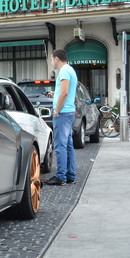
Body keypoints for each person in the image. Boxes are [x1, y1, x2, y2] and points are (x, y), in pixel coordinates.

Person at [45, 49, 78, 186]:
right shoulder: (71, 70)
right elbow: (64, 92)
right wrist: (54, 95)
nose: (51, 62)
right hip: (69, 112)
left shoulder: (64, 71)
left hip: (63, 113)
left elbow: (64, 92)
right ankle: (70, 175)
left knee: (60, 146)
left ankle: (61, 177)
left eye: (52, 59)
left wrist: (56, 110)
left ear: (56, 58)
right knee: (68, 145)